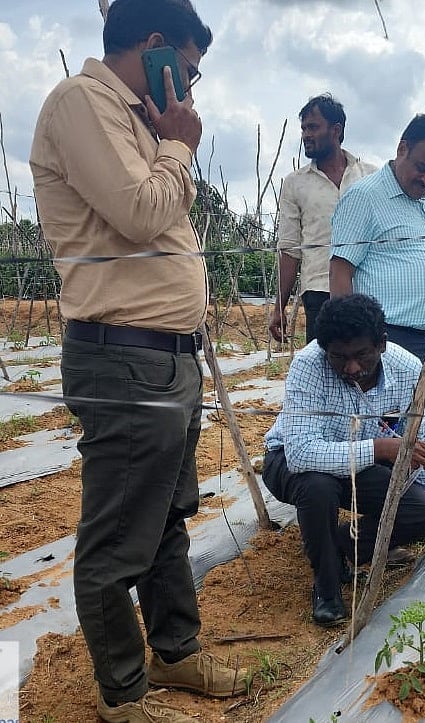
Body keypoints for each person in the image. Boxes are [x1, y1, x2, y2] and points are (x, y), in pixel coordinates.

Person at [29, 1, 246, 721]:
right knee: (118, 539)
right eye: (188, 67)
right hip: (125, 358)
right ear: (154, 48)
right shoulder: (81, 103)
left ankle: (176, 653)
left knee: (164, 519)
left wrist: (166, 140)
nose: (191, 86)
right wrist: (180, 145)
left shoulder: (139, 121)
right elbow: (142, 210)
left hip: (167, 359)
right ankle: (124, 694)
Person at [262, 294, 425, 627]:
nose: (352, 368)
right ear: (323, 349)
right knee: (318, 485)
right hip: (289, 464)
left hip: (354, 466)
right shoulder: (308, 365)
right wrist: (379, 448)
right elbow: (300, 454)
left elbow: (423, 438)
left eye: (362, 355)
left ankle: (342, 545)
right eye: (339, 358)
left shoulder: (408, 369)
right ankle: (327, 589)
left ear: (382, 344)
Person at [329, 115, 425, 467]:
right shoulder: (365, 198)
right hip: (391, 339)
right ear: (402, 148)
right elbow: (340, 271)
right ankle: (395, 511)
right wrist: (349, 343)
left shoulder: (421, 205)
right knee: (393, 432)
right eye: (421, 168)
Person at [269, 94, 376, 345]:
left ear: (336, 130)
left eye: (313, 127)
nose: (306, 135)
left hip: (367, 288)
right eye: (304, 128)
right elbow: (290, 249)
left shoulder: (370, 177)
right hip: (319, 291)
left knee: (368, 366)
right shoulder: (295, 183)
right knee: (326, 368)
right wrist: (279, 307)